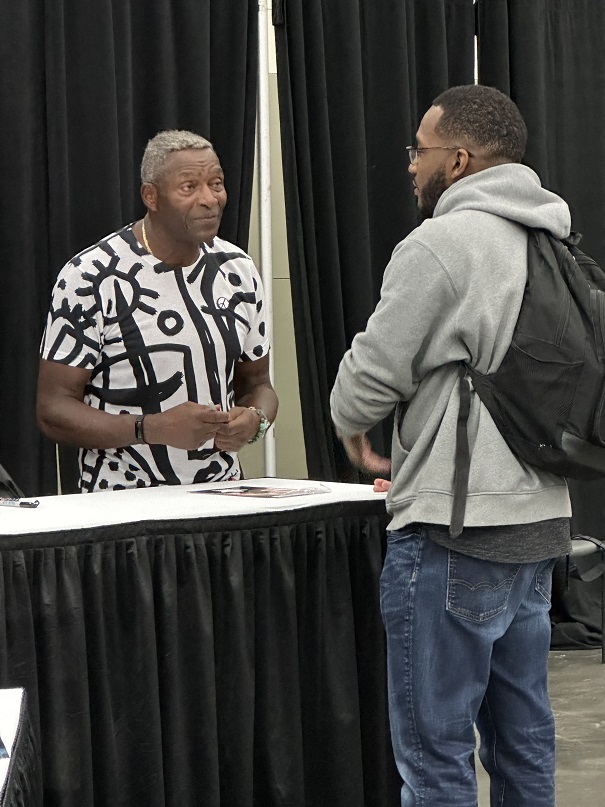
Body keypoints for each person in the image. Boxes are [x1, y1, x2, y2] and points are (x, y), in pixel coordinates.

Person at [330, 85, 571, 807]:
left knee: (434, 751)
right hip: (537, 521)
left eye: (419, 150)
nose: (410, 166)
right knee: (523, 738)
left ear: (458, 159)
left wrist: (353, 429)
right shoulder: (551, 236)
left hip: (453, 529)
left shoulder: (441, 242)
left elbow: (366, 380)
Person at [37, 130, 278, 492]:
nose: (209, 199)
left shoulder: (237, 270)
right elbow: (53, 409)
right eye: (189, 187)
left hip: (223, 502)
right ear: (151, 196)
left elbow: (258, 384)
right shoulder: (91, 276)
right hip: (121, 509)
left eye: (216, 184)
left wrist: (255, 420)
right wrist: (150, 428)